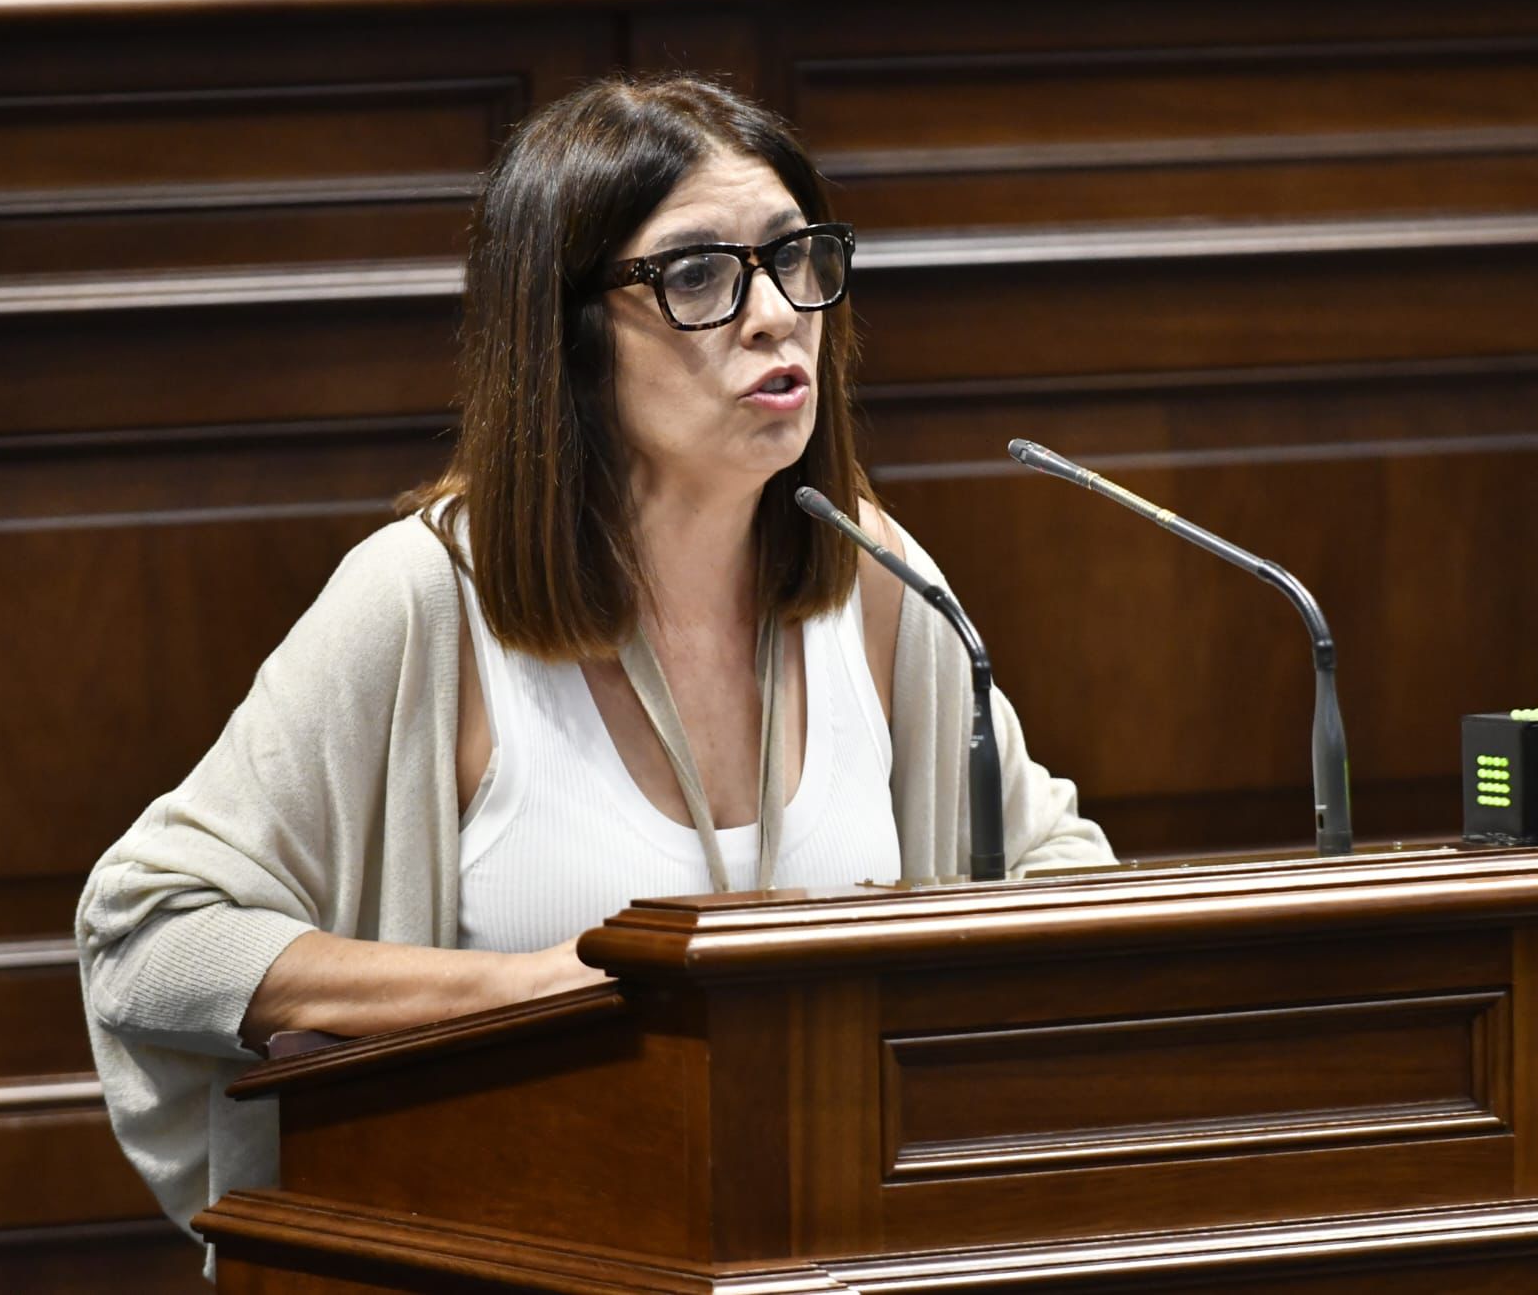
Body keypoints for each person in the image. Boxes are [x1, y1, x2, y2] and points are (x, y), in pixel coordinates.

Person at [75, 74, 1111, 1266]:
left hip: (829, 1259)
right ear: (565, 334)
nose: (775, 315)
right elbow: (149, 937)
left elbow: (1050, 871)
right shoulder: (429, 598)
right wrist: (538, 992)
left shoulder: (867, 569)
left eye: (793, 257)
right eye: (699, 276)